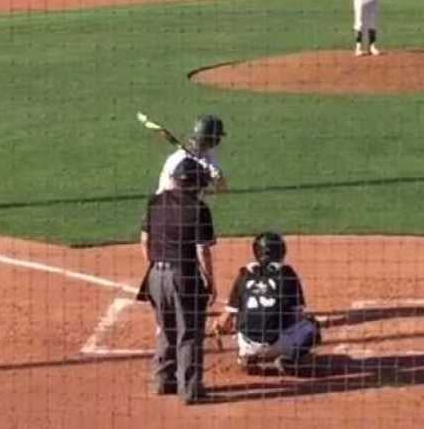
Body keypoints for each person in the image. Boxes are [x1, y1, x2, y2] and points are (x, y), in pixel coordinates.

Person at [138, 157, 218, 403]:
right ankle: (191, 390)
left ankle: (163, 380)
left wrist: (155, 267)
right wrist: (211, 281)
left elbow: (144, 240)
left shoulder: (155, 202)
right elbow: (202, 250)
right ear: (194, 183)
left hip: (154, 275)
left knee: (167, 327)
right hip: (183, 275)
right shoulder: (198, 208)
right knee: (190, 332)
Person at [213, 232, 321, 375]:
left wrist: (219, 327)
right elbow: (296, 314)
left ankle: (245, 356)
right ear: (281, 251)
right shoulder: (287, 273)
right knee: (312, 326)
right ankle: (291, 358)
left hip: (248, 343)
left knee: (243, 324)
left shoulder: (244, 274)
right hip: (278, 344)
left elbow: (224, 320)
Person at [156, 114, 227, 195]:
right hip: (173, 203)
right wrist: (205, 174)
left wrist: (218, 177)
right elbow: (183, 195)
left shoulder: (209, 153)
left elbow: (222, 189)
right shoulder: (181, 161)